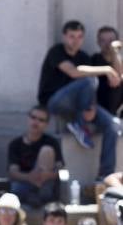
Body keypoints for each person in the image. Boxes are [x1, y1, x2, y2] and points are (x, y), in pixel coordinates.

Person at [38, 19, 121, 178]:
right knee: (89, 79)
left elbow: (106, 83)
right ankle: (79, 125)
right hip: (54, 102)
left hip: (79, 107)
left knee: (114, 125)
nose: (75, 41)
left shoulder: (84, 56)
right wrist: (107, 70)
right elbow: (74, 72)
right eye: (71, 36)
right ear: (64, 37)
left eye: (79, 37)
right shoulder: (56, 51)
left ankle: (106, 176)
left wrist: (92, 107)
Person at [7, 107, 63, 208]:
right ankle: (32, 195)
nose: (36, 122)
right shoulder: (15, 144)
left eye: (41, 120)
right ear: (28, 119)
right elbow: (13, 172)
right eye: (33, 117)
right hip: (23, 186)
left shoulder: (52, 142)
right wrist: (29, 177)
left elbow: (61, 169)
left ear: (46, 124)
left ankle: (37, 195)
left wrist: (48, 175)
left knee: (47, 151)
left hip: (45, 187)